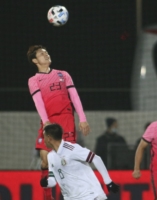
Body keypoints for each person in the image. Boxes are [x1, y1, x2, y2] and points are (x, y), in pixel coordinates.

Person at [27, 45, 90, 200]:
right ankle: (47, 196)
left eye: (46, 52)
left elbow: (74, 96)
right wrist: (46, 120)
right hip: (49, 122)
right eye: (42, 54)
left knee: (66, 162)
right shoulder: (34, 80)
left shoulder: (63, 74)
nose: (46, 55)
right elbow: (38, 102)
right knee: (44, 160)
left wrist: (82, 118)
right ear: (35, 60)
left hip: (66, 120)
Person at [40, 123, 119, 200]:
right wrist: (46, 183)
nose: (44, 141)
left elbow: (96, 158)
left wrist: (108, 181)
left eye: (44, 137)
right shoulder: (50, 156)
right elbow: (53, 180)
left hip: (90, 195)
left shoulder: (71, 149)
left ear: (49, 138)